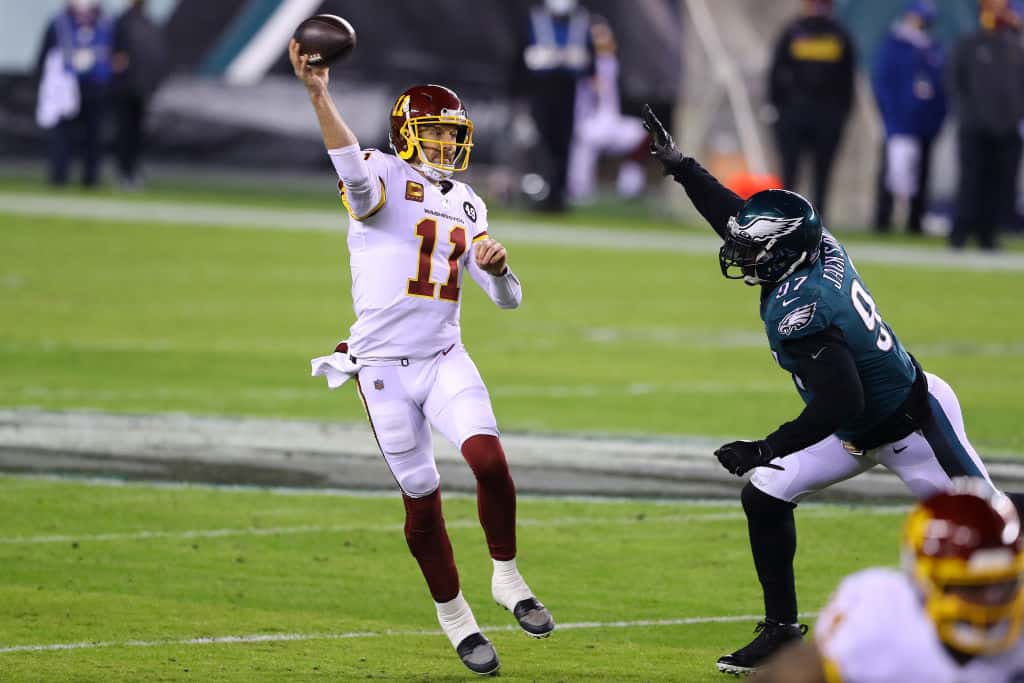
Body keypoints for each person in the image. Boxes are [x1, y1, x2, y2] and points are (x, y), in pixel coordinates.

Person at [641, 104, 1001, 676]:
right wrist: (682, 166)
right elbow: (737, 218)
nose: (741, 257)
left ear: (783, 253)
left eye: (754, 253)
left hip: (914, 425)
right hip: (857, 427)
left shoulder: (805, 307)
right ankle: (781, 631)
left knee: (992, 533)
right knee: (765, 495)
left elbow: (842, 401)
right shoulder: (814, 245)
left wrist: (765, 447)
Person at [290, 42, 554, 676]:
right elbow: (349, 166)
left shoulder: (469, 203)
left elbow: (507, 300)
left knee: (489, 461)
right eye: (433, 132)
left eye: (450, 134)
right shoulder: (378, 171)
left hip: (443, 354)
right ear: (407, 133)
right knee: (421, 497)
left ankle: (508, 578)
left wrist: (500, 266)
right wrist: (319, 93)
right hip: (381, 366)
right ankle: (455, 616)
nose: (444, 144)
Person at [751, 479, 1024, 683]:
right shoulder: (882, 616)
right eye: (971, 586)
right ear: (922, 582)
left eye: (1003, 584)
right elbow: (795, 673)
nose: (991, 599)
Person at [768, 0, 856, 224]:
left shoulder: (840, 35)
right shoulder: (793, 31)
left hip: (827, 116)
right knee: (790, 171)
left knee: (823, 173)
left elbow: (847, 80)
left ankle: (818, 222)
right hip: (794, 114)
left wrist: (841, 115)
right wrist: (775, 108)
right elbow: (776, 73)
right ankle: (786, 220)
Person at [947, 0, 1024, 251]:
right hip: (975, 128)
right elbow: (955, 82)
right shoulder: (970, 44)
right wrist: (969, 116)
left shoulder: (1013, 47)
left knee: (998, 183)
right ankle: (960, 233)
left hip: (1006, 129)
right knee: (971, 181)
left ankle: (987, 235)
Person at [870, 0, 947, 236]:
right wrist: (891, 115)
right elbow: (883, 83)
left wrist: (937, 117)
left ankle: (915, 221)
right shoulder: (894, 45)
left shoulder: (932, 47)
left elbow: (942, 86)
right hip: (899, 121)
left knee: (921, 173)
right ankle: (883, 220)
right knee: (892, 172)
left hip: (924, 122)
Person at [516, 0, 594, 212]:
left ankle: (558, 195)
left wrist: (579, 60)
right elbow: (518, 57)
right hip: (539, 91)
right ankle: (538, 193)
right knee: (540, 143)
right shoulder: (533, 17)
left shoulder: (582, 19)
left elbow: (590, 62)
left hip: (569, 91)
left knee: (563, 144)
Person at [566, 17, 649, 204]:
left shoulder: (610, 63)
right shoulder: (582, 62)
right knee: (583, 149)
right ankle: (578, 192)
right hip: (587, 122)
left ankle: (629, 188)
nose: (603, 41)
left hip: (610, 122)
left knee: (645, 134)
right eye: (598, 37)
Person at [35, 0, 115, 188]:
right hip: (66, 86)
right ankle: (59, 175)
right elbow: (44, 55)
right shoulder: (58, 22)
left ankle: (91, 177)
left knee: (93, 134)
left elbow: (116, 53)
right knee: (62, 134)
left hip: (96, 86)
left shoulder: (106, 22)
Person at [111, 0, 167, 189]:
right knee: (125, 132)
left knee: (137, 134)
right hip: (125, 89)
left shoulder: (148, 23)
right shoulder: (122, 23)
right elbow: (116, 58)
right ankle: (124, 171)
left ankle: (133, 169)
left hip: (142, 90)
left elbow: (156, 57)